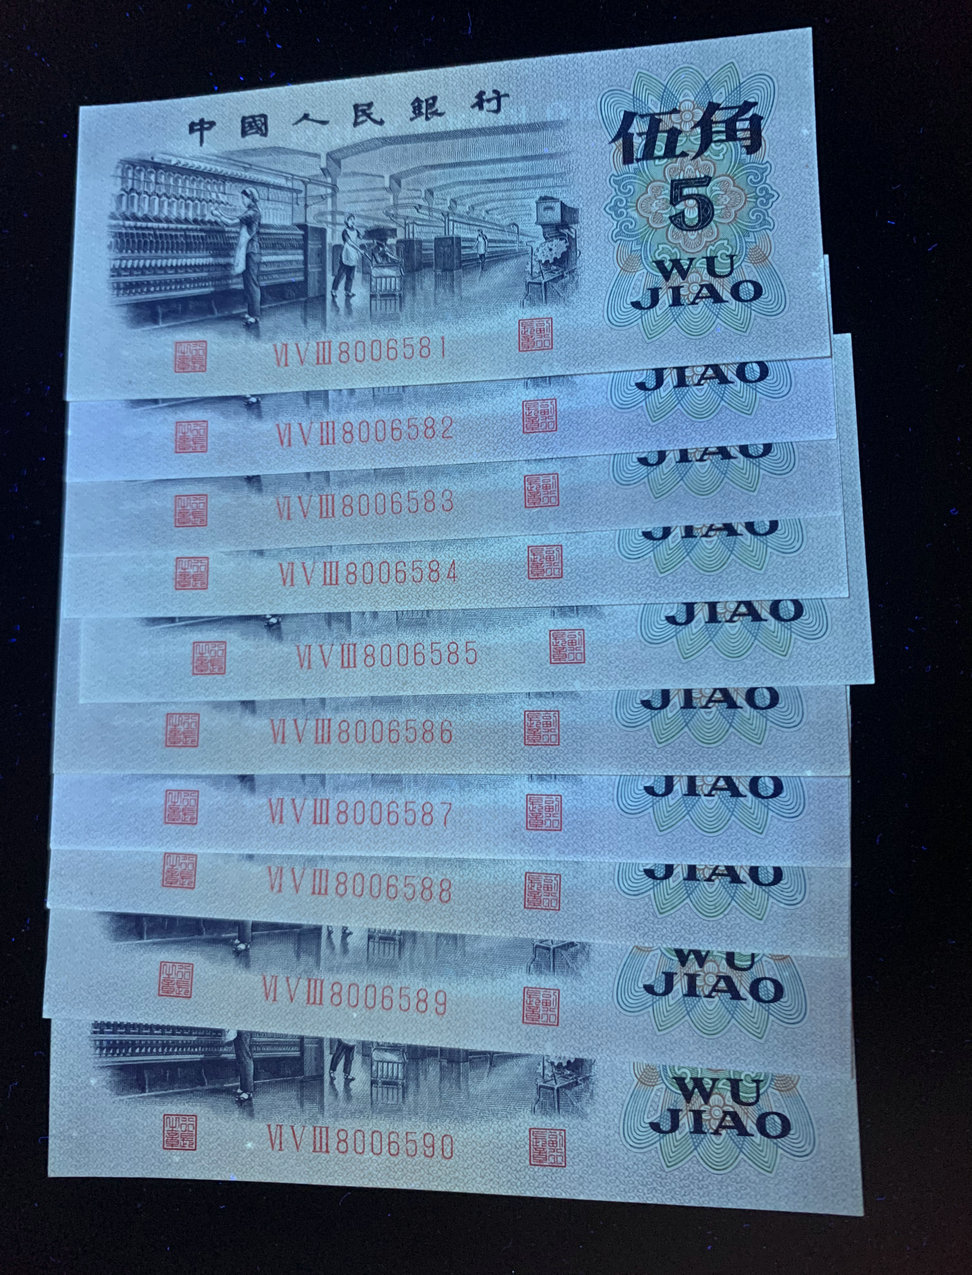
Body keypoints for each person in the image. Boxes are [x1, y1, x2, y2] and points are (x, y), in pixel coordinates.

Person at [213, 188, 262, 325]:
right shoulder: (251, 211)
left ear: (250, 198)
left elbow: (231, 222)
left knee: (252, 283)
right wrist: (221, 213)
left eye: (244, 198)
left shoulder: (253, 212)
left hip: (252, 251)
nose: (242, 201)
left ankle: (255, 315)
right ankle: (251, 312)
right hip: (249, 250)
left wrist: (217, 215)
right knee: (248, 282)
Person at [332, 213, 363, 299]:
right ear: (347, 221)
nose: (352, 221)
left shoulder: (356, 231)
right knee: (340, 274)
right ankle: (334, 290)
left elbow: (361, 237)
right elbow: (349, 242)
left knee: (351, 275)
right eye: (350, 220)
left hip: (353, 254)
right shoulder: (345, 231)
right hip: (346, 253)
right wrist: (359, 250)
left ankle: (348, 291)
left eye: (353, 220)